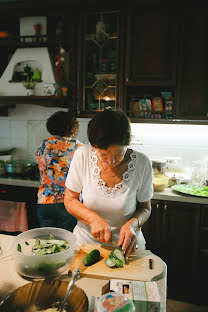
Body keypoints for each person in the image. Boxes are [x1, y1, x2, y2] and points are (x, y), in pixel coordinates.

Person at [64, 108, 153, 259]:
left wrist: (133, 223)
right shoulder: (83, 155)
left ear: (127, 144)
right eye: (103, 154)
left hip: (128, 249)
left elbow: (145, 208)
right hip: (86, 246)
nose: (111, 162)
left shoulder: (142, 163)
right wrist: (93, 219)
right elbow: (70, 200)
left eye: (118, 154)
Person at [36, 110, 83, 231]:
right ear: (73, 128)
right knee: (66, 244)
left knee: (47, 244)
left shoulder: (43, 144)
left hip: (44, 202)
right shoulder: (78, 147)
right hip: (68, 204)